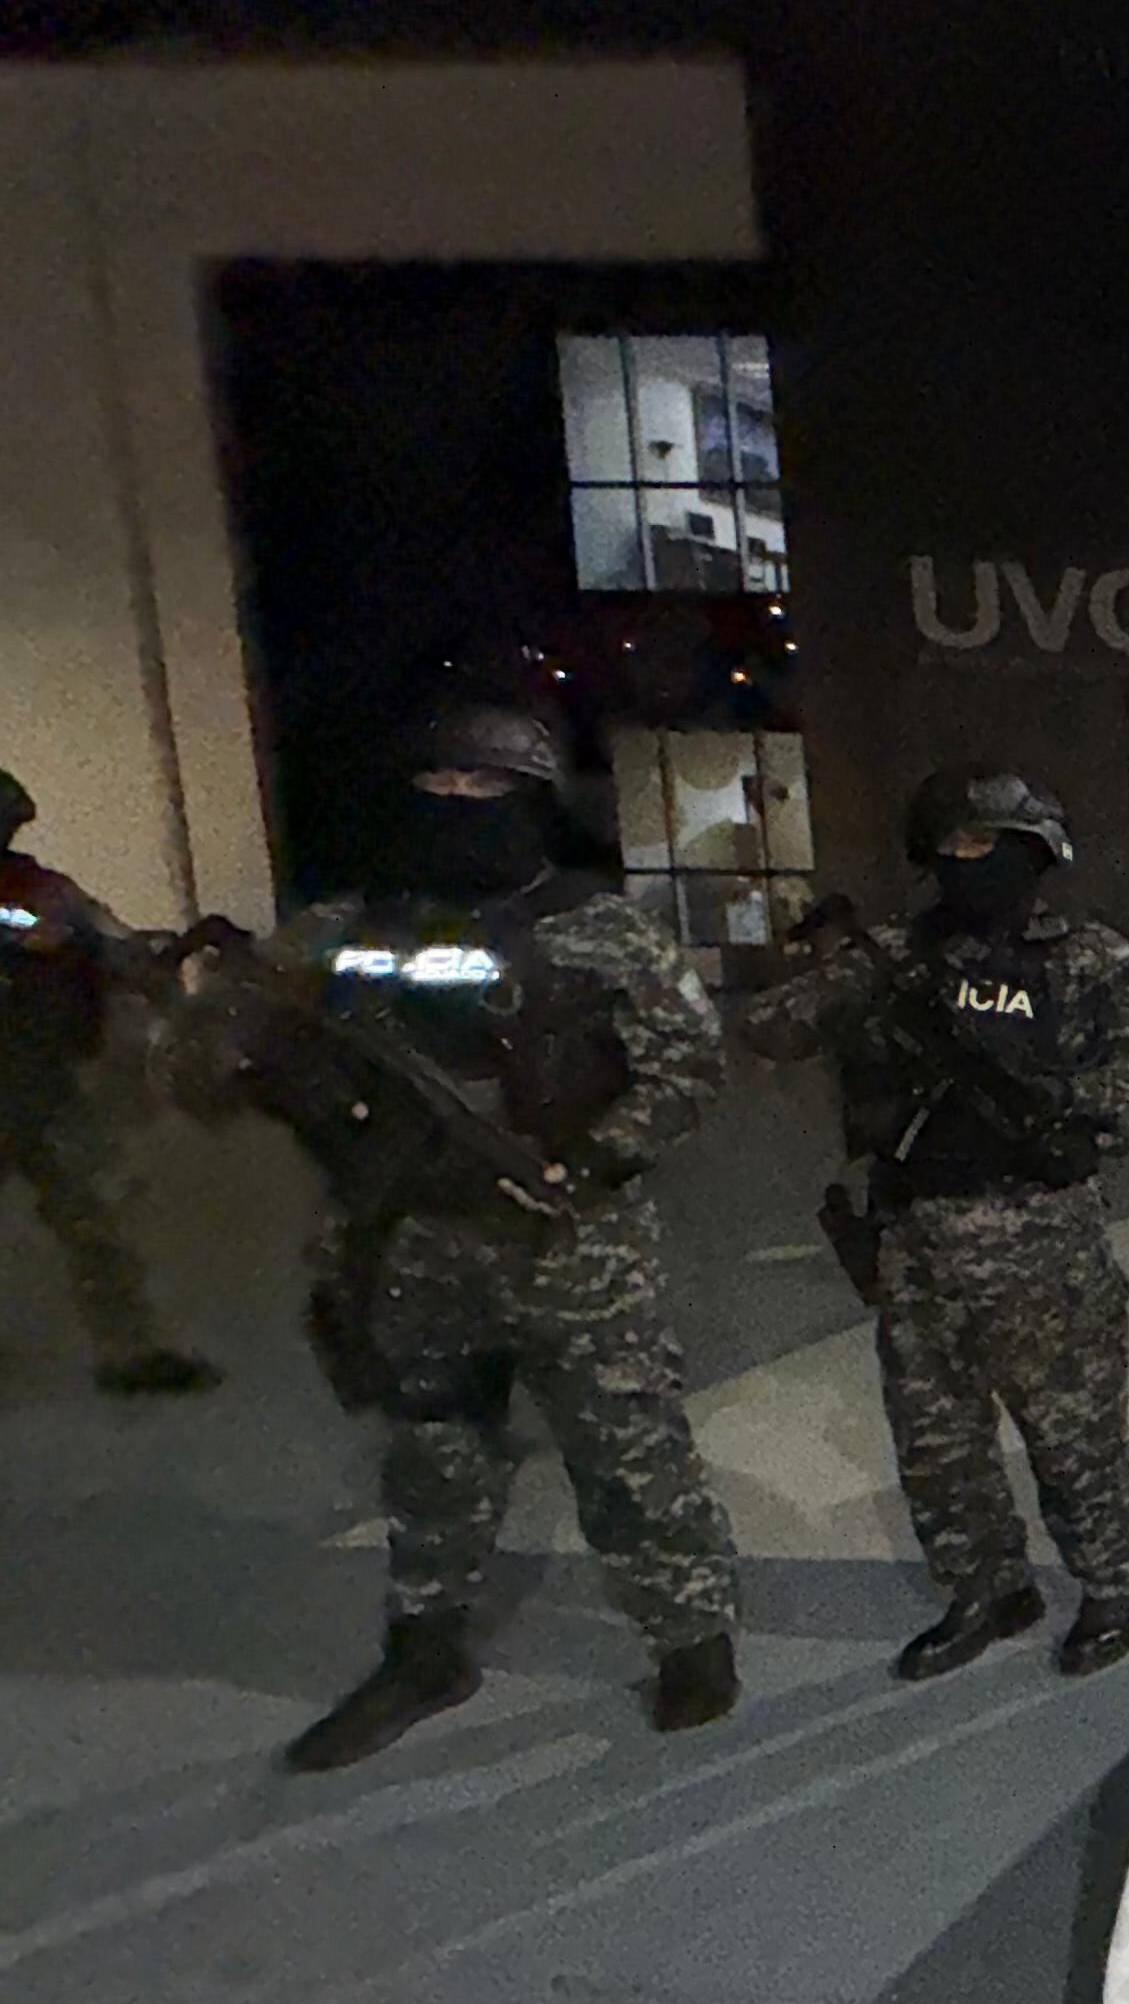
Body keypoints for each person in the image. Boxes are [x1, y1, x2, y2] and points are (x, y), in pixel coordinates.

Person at [173, 704, 742, 1767]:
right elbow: (211, 1060)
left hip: (575, 1243)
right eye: (434, 786)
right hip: (413, 1237)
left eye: (483, 788)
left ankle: (690, 1639)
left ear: (534, 802)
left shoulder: (601, 930)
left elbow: (689, 1065)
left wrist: (599, 1157)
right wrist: (243, 1048)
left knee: (628, 1450)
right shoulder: (343, 932)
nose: (455, 806)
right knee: (432, 1454)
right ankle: (425, 1650)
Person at [739, 765, 1129, 1683]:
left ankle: (1109, 1590)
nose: (968, 861)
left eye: (988, 845)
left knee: (1075, 1439)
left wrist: (1052, 1101)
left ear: (1034, 852)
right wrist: (848, 986)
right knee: (938, 1445)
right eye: (953, 846)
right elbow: (775, 1026)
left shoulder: (1090, 958)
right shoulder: (896, 958)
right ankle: (986, 1588)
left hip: (1045, 1246)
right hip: (917, 1245)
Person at [0, 766, 220, 1395]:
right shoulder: (30, 903)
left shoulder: (44, 889)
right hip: (36, 1077)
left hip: (45, 1080)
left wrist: (165, 955)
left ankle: (132, 1351)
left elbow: (112, 941)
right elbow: (33, 928)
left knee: (97, 1214)